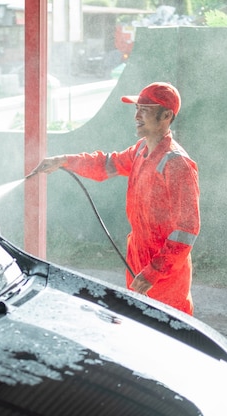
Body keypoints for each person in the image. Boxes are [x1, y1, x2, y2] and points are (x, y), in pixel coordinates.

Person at [29, 82, 200, 315]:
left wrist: (154, 271)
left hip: (166, 276)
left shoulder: (177, 164)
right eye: (136, 108)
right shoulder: (141, 150)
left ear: (167, 115)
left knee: (168, 336)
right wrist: (64, 161)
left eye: (145, 109)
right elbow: (106, 164)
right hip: (139, 260)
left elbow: (186, 231)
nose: (137, 116)